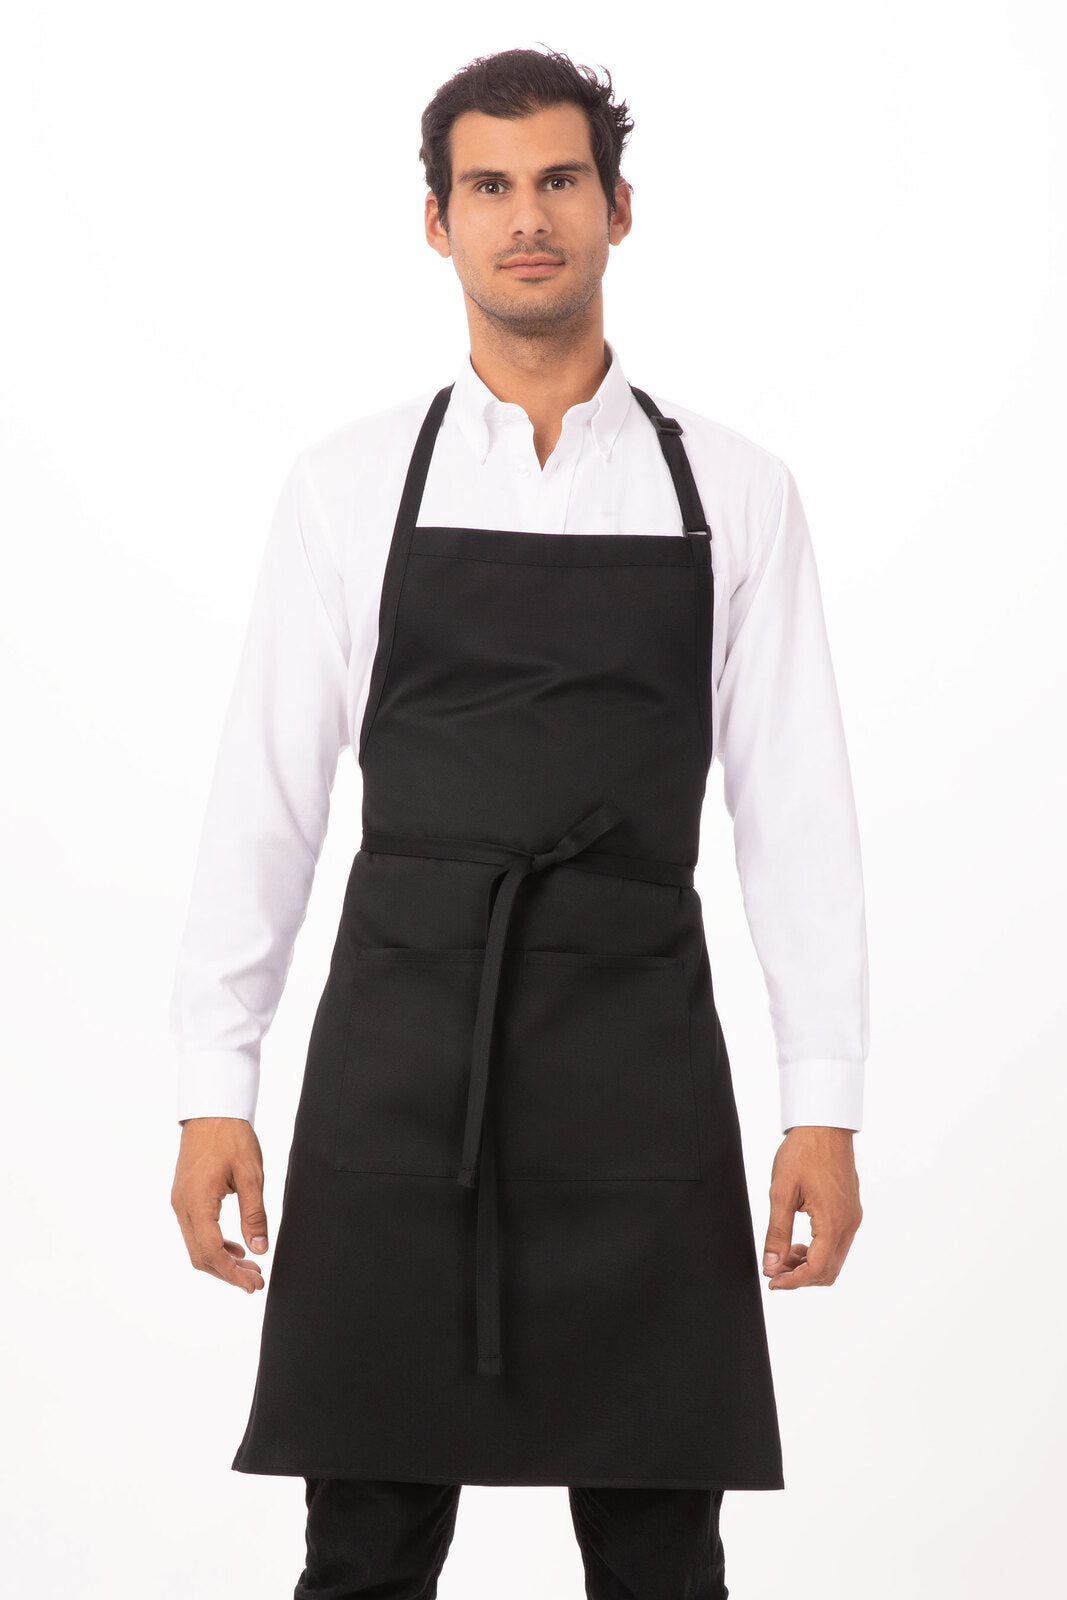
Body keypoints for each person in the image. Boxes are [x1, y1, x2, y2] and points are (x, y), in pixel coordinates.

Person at [169, 44, 867, 1600]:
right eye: (488, 186)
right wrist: (216, 1087)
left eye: (559, 180)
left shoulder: (736, 492)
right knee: (363, 1543)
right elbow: (264, 796)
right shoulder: (349, 486)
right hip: (403, 1062)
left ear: (620, 207)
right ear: (438, 223)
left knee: (661, 1550)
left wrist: (821, 1106)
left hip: (639, 1065)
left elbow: (796, 808)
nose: (527, 217)